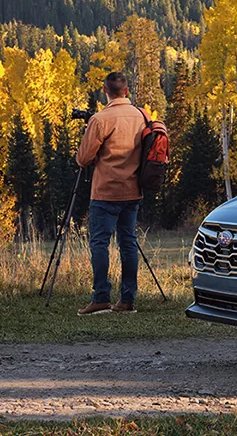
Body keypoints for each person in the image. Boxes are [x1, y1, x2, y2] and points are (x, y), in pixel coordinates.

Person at [75, 72, 145, 315]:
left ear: (105, 90)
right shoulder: (141, 116)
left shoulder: (100, 119)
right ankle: (127, 300)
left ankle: (101, 297)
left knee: (99, 244)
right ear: (126, 91)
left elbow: (83, 159)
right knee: (128, 244)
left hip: (105, 192)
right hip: (133, 190)